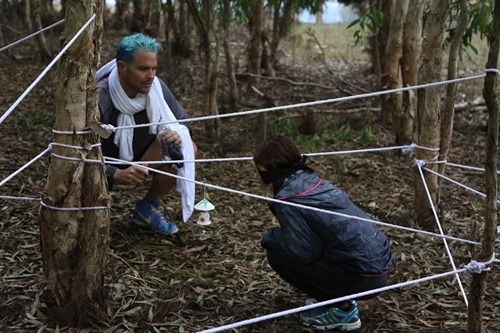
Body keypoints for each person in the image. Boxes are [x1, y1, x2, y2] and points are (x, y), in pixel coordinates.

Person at [252, 135, 393, 331]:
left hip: (363, 276)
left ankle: (342, 311)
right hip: (379, 267)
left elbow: (304, 252)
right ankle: (332, 299)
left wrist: (272, 238)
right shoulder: (311, 180)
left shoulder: (288, 198)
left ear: (267, 168)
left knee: (276, 252)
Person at [96, 33, 196, 235]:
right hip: (100, 164)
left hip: (140, 158)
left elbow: (183, 119)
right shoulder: (101, 97)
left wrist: (176, 134)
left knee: (187, 147)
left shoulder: (155, 87)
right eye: (143, 69)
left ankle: (148, 207)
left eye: (153, 68)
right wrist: (114, 173)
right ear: (122, 67)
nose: (151, 75)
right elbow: (77, 151)